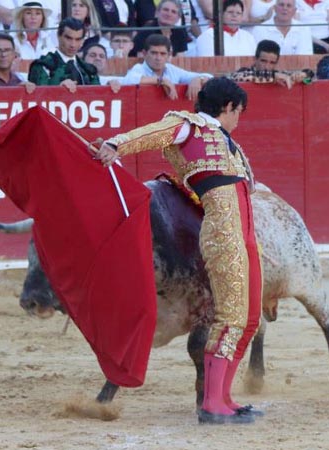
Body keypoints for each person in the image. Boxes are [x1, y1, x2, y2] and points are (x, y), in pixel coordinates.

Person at [94, 77, 262, 425]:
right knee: (230, 316)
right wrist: (115, 144)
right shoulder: (189, 125)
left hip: (245, 232)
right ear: (229, 107)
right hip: (222, 231)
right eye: (239, 113)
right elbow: (152, 133)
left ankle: (225, 398)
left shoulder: (227, 141)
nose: (238, 120)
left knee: (249, 317)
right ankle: (212, 404)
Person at [121, 34, 212, 100]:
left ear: (169, 55)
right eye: (154, 53)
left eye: (162, 54)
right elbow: (128, 80)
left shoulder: (172, 70)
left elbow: (210, 77)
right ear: (144, 53)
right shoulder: (139, 68)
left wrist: (199, 78)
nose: (158, 58)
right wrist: (162, 80)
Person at [28, 17, 100, 89]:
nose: (73, 45)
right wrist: (59, 90)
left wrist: (109, 89)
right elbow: (38, 97)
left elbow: (98, 97)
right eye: (68, 38)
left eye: (78, 39)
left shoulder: (89, 70)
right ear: (59, 36)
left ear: (83, 40)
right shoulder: (43, 66)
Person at [230, 39, 314, 88]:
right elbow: (236, 77)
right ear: (255, 59)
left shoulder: (281, 75)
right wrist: (272, 77)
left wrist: (303, 75)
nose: (267, 66)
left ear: (276, 63)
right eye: (263, 61)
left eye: (272, 63)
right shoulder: (244, 72)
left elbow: (310, 79)